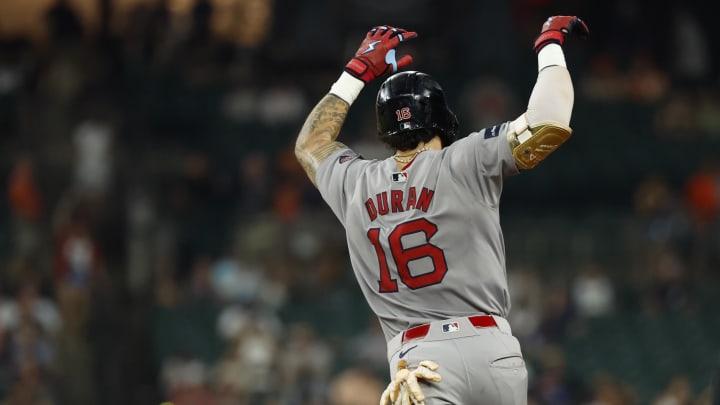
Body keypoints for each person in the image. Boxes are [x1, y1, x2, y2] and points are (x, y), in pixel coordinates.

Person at [294, 17, 589, 405]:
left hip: (418, 361)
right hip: (492, 349)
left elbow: (310, 145)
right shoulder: (465, 158)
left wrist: (356, 72)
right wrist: (549, 44)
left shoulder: (355, 183)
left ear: (383, 130)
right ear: (443, 120)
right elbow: (549, 121)